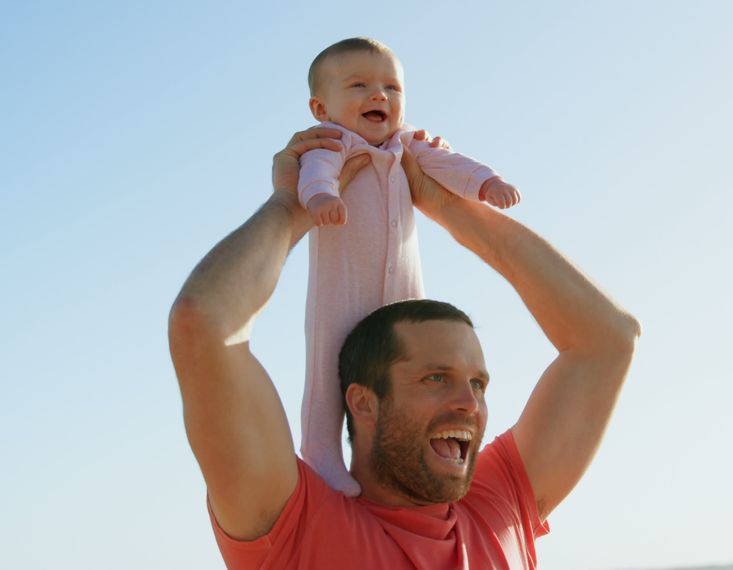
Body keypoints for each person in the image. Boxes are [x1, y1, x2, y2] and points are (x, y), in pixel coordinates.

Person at [168, 126, 639, 568]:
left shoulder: (499, 507)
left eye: (478, 383)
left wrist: (446, 205)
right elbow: (204, 323)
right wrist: (291, 207)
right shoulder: (297, 525)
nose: (469, 403)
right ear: (363, 402)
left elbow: (608, 338)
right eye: (437, 378)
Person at [298, 37, 521, 495]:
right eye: (359, 84)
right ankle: (320, 451)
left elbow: (449, 164)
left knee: (407, 372)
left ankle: (405, 459)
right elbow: (313, 174)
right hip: (342, 288)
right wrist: (321, 196)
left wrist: (485, 182)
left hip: (403, 290)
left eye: (392, 87)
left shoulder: (409, 145)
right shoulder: (330, 145)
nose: (380, 95)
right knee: (327, 369)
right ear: (321, 107)